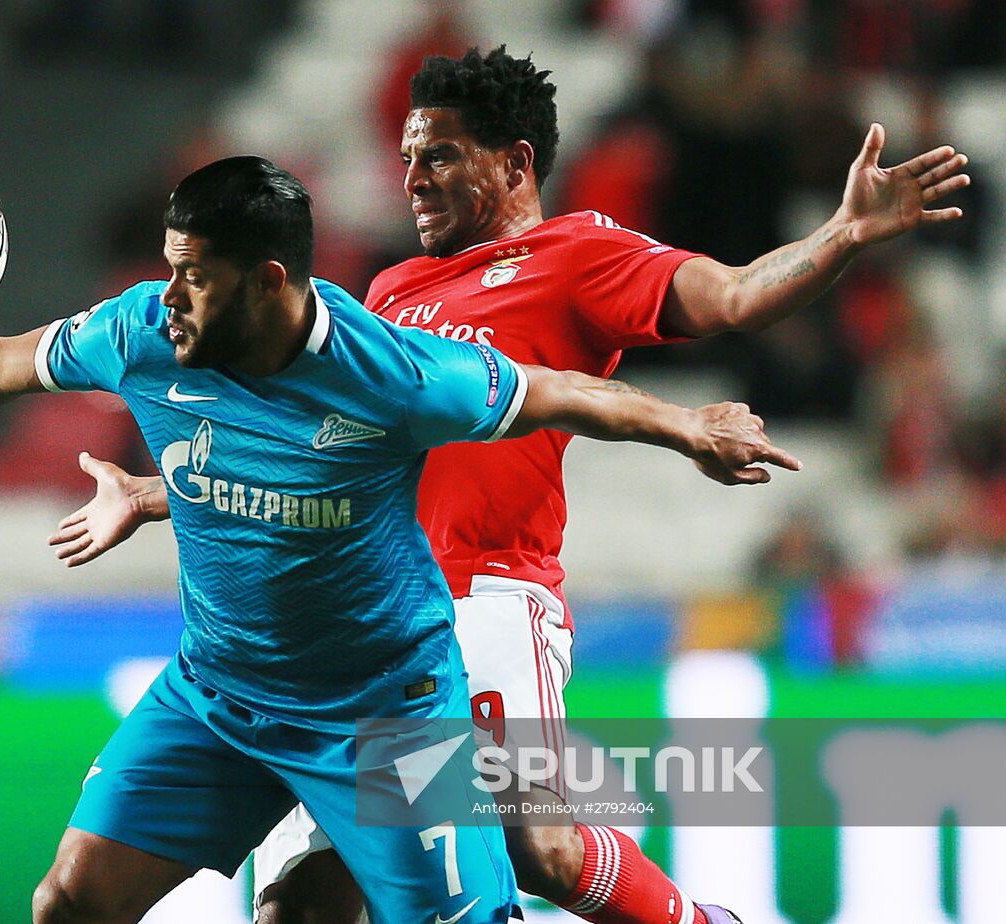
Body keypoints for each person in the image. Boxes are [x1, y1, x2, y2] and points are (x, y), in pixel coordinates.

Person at [0, 155, 799, 924]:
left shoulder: (393, 374)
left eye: (189, 276)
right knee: (69, 901)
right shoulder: (143, 333)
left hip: (384, 714)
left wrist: (685, 424)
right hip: (217, 695)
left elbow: (556, 394)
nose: (165, 298)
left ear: (269, 281)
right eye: (164, 267)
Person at [47, 48, 970, 924]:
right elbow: (328, 450)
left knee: (537, 842)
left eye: (438, 156)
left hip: (487, 596)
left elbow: (731, 296)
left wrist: (845, 234)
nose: (409, 178)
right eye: (407, 157)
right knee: (302, 905)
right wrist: (159, 488)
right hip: (353, 627)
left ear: (514, 161)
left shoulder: (577, 253)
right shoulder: (392, 289)